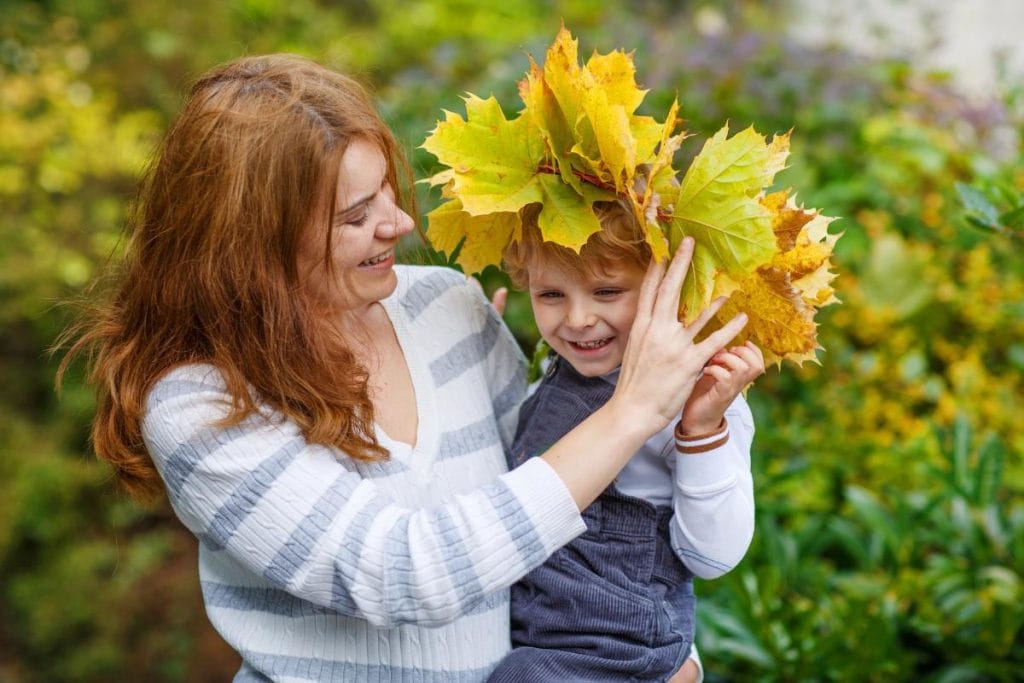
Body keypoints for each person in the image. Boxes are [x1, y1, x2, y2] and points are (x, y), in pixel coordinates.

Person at [56, 54, 749, 681]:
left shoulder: (445, 306)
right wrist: (633, 409)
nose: (399, 224)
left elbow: (571, 509)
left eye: (387, 192)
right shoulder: (201, 405)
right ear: (254, 244)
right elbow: (404, 573)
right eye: (356, 215)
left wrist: (664, 659)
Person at [487, 202, 763, 682]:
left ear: (671, 289)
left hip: (623, 650)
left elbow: (714, 556)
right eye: (550, 293)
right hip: (539, 636)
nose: (577, 318)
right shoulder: (550, 381)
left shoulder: (698, 399)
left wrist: (700, 433)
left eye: (607, 291)